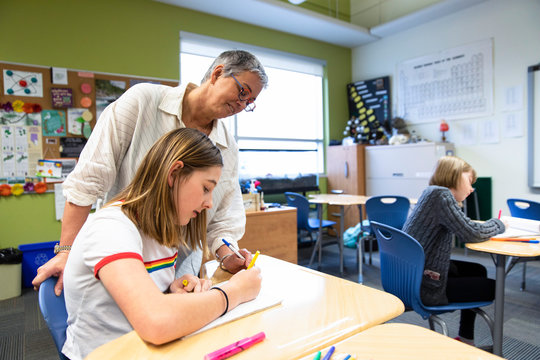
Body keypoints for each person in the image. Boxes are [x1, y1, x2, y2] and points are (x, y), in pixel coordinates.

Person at [33, 50, 268, 295]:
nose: (242, 105)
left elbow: (222, 220)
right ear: (218, 73)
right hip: (120, 255)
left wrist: (228, 255)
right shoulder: (143, 101)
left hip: (176, 271)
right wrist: (66, 251)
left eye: (249, 102)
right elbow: (88, 178)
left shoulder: (228, 148)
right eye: (242, 92)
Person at [62, 128, 262, 360]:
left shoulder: (161, 229)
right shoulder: (111, 227)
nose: (209, 203)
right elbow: (156, 321)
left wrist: (171, 292)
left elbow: (147, 300)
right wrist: (234, 292)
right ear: (174, 174)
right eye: (206, 188)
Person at [402, 155, 505, 345]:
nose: (472, 188)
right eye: (469, 181)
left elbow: (465, 226)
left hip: (412, 275)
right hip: (424, 287)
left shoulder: (431, 193)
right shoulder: (442, 196)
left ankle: (466, 339)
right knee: (494, 287)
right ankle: (478, 344)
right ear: (455, 176)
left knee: (478, 270)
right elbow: (472, 233)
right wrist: (499, 224)